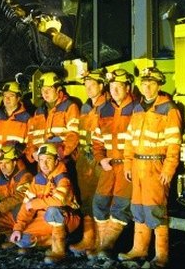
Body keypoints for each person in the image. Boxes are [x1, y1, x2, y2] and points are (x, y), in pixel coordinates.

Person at [119, 67, 182, 269]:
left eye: (151, 83)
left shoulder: (168, 109)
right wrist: (128, 163)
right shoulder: (137, 109)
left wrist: (168, 169)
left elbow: (174, 143)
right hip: (137, 165)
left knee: (155, 209)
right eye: (144, 83)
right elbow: (129, 140)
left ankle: (161, 255)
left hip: (156, 165)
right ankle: (139, 249)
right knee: (138, 208)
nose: (146, 87)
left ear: (159, 85)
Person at [91, 68, 137, 259]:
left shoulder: (137, 109)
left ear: (128, 87)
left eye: (119, 86)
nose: (115, 90)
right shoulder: (104, 110)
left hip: (128, 166)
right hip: (109, 166)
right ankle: (101, 245)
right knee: (99, 203)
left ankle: (107, 246)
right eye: (112, 86)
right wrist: (100, 159)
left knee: (121, 205)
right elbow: (97, 140)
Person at [9, 143, 81, 264]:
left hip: (66, 218)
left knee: (53, 210)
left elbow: (58, 201)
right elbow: (26, 206)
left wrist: (34, 204)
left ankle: (58, 250)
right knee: (21, 239)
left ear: (56, 160)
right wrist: (18, 229)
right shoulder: (38, 179)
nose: (44, 164)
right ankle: (49, 241)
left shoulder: (62, 177)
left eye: (48, 159)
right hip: (44, 219)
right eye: (41, 160)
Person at [69, 69, 108, 257]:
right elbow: (79, 133)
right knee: (86, 200)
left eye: (92, 85)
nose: (89, 89)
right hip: (84, 159)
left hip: (99, 160)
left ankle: (101, 243)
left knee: (100, 201)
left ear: (101, 85)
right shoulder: (85, 107)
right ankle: (88, 238)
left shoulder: (107, 106)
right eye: (86, 85)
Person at [25, 71, 80, 195]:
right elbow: (32, 137)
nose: (45, 93)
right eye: (43, 90)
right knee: (44, 193)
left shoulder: (69, 107)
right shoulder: (39, 111)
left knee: (63, 192)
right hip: (42, 161)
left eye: (48, 89)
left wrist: (61, 152)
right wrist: (32, 151)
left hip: (62, 160)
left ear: (58, 89)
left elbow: (73, 135)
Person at [0, 81, 31, 194]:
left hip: (14, 166)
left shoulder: (26, 119)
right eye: (5, 96)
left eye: (11, 96)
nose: (7, 99)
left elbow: (30, 146)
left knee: (13, 198)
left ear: (18, 98)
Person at [0, 143, 33, 244]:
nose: (3, 167)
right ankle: (9, 235)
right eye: (0, 163)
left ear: (15, 162)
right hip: (7, 214)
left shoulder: (25, 176)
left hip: (20, 216)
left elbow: (20, 196)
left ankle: (24, 237)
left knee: (20, 208)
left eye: (6, 163)